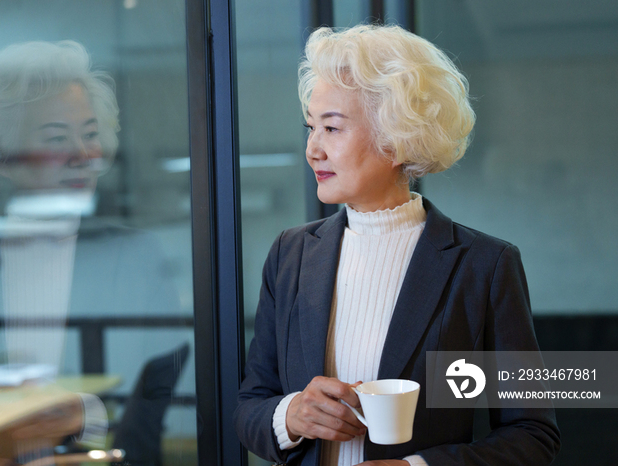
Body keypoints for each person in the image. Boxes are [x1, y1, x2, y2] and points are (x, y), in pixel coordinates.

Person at [234, 24, 561, 466]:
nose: (313, 149)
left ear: (396, 137)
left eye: (332, 128)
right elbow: (251, 405)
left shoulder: (484, 265)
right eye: (311, 127)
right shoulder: (290, 254)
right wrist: (289, 415)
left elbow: (532, 434)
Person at [0, 40, 119, 464]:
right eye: (57, 137)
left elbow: (164, 406)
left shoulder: (133, 257)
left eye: (91, 135)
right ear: (6, 152)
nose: (83, 155)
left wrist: (87, 417)